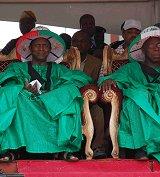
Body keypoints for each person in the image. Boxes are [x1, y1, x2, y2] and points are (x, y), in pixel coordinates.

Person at [99, 27, 160, 165]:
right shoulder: (131, 69)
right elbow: (113, 78)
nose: (157, 49)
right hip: (144, 102)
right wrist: (108, 80)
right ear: (143, 50)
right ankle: (142, 148)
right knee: (135, 99)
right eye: (152, 46)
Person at [0, 26, 92, 162]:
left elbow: (82, 78)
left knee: (70, 91)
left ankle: (63, 150)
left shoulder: (59, 69)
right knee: (12, 92)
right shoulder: (17, 67)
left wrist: (54, 93)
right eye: (37, 45)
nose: (41, 48)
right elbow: (6, 80)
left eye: (45, 46)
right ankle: (14, 149)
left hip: (54, 106)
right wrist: (22, 87)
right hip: (26, 105)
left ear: (50, 49)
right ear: (30, 49)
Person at [63, 30, 106, 159]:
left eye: (82, 41)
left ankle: (98, 147)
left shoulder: (97, 63)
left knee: (98, 111)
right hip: (66, 101)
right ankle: (66, 148)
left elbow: (100, 83)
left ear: (89, 44)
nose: (78, 44)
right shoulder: (62, 61)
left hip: (88, 101)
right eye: (75, 41)